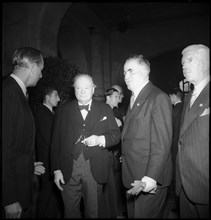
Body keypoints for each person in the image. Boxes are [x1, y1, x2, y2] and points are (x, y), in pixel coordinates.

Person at [50, 73, 121, 218]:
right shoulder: (63, 110)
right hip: (68, 168)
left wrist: (100, 139)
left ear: (93, 89)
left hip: (94, 169)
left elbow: (116, 136)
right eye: (78, 88)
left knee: (93, 213)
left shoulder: (105, 109)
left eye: (86, 88)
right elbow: (55, 142)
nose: (82, 91)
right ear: (74, 89)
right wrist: (56, 169)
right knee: (69, 213)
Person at [121, 54, 173, 218]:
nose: (126, 76)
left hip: (148, 178)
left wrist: (151, 178)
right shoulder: (134, 98)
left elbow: (162, 143)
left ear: (145, 71)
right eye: (124, 72)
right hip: (132, 175)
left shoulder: (158, 97)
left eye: (130, 71)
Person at [2, 47, 45, 218]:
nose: (41, 76)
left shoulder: (15, 91)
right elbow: (4, 148)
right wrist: (9, 199)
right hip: (12, 196)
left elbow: (15, 142)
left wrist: (27, 165)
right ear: (33, 67)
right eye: (41, 70)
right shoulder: (9, 93)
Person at [175, 44, 209, 218]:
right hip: (185, 184)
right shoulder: (189, 96)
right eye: (182, 63)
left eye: (190, 60)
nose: (184, 66)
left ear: (206, 62)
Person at [34, 86, 63, 218]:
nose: (59, 99)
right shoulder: (42, 113)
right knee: (46, 194)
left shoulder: (50, 112)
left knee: (51, 194)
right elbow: (50, 138)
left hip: (51, 159)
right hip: (46, 160)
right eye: (56, 95)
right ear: (48, 97)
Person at [104, 88, 127, 218]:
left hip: (117, 152)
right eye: (116, 96)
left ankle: (116, 210)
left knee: (117, 184)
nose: (118, 98)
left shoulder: (115, 110)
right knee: (111, 185)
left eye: (119, 96)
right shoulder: (105, 110)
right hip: (111, 153)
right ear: (108, 98)